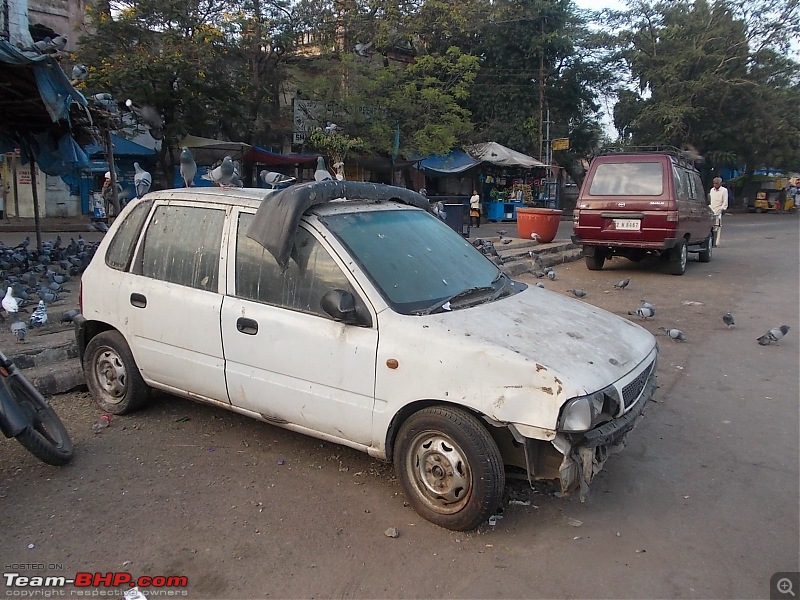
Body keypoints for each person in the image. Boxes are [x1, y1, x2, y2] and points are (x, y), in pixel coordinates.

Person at [708, 177, 728, 247]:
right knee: (710, 227)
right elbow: (710, 200)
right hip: (711, 210)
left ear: (720, 183)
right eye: (714, 183)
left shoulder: (724, 190)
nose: (715, 185)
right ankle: (711, 241)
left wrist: (721, 210)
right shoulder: (712, 190)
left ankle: (716, 242)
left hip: (718, 211)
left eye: (717, 183)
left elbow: (725, 202)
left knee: (717, 227)